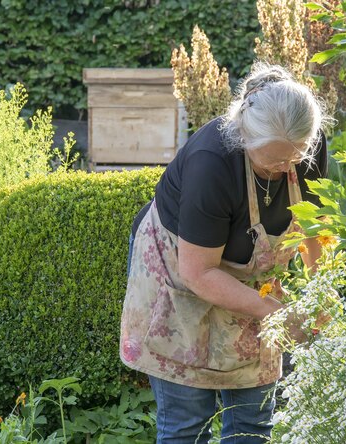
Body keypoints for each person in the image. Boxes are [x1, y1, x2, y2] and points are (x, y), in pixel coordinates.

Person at [120, 62, 330, 443]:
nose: (287, 169)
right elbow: (198, 272)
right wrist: (280, 317)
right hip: (181, 278)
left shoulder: (304, 144)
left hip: (254, 289)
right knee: (189, 425)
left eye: (294, 158)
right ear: (245, 139)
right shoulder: (212, 161)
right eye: (274, 161)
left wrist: (324, 299)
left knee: (253, 424)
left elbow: (317, 231)